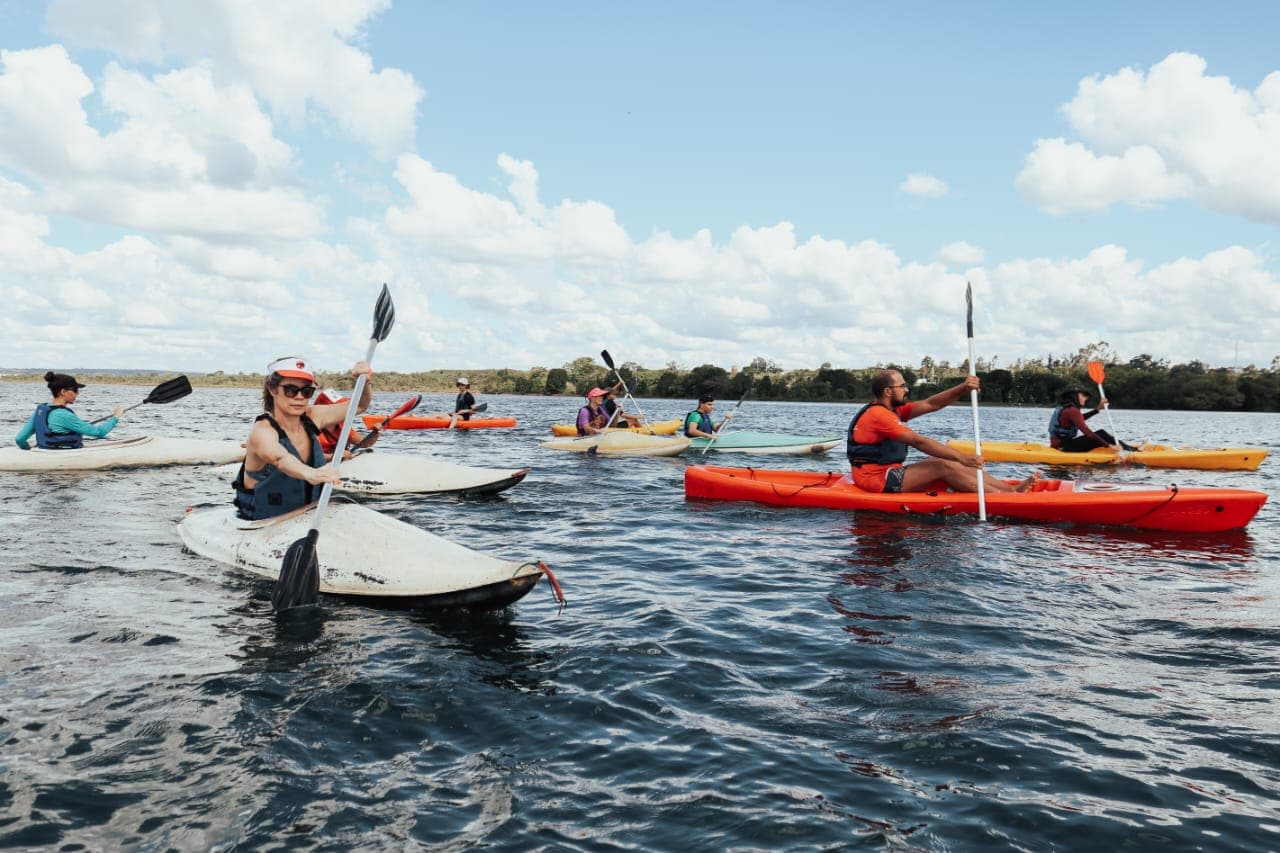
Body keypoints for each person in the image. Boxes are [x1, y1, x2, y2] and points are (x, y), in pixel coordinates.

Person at [847, 369, 1038, 494]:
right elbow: (918, 441)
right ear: (888, 392)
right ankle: (1004, 497)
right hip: (874, 480)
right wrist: (962, 458)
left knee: (943, 461)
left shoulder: (893, 410)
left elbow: (932, 403)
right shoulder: (878, 415)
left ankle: (1011, 490)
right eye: (902, 386)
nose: (907, 389)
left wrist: (963, 388)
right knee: (943, 466)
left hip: (888, 472)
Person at [233, 356, 373, 520]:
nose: (299, 397)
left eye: (306, 391)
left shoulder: (314, 416)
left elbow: (360, 405)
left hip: (308, 515)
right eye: (290, 390)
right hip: (261, 522)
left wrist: (363, 381)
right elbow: (280, 458)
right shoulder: (262, 430)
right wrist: (312, 474)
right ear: (273, 389)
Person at [14, 372, 125, 449]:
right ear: (63, 392)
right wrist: (115, 417)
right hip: (60, 460)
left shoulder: (41, 410)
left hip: (44, 450)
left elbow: (20, 439)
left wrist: (28, 450)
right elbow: (99, 432)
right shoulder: (64, 415)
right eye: (75, 390)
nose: (78, 393)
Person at [1048, 388, 1131, 452]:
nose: (1086, 398)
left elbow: (1080, 418)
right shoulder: (1072, 410)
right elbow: (1088, 433)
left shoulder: (1067, 408)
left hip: (1061, 445)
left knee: (1101, 433)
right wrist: (1109, 446)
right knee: (1101, 433)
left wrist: (1097, 409)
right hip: (1064, 447)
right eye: (1083, 396)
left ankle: (1127, 448)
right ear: (1074, 396)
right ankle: (1130, 450)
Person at [313, 388, 374, 460]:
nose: (341, 410)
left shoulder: (341, 424)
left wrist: (376, 432)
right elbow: (305, 457)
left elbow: (364, 443)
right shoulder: (310, 429)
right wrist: (333, 456)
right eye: (336, 407)